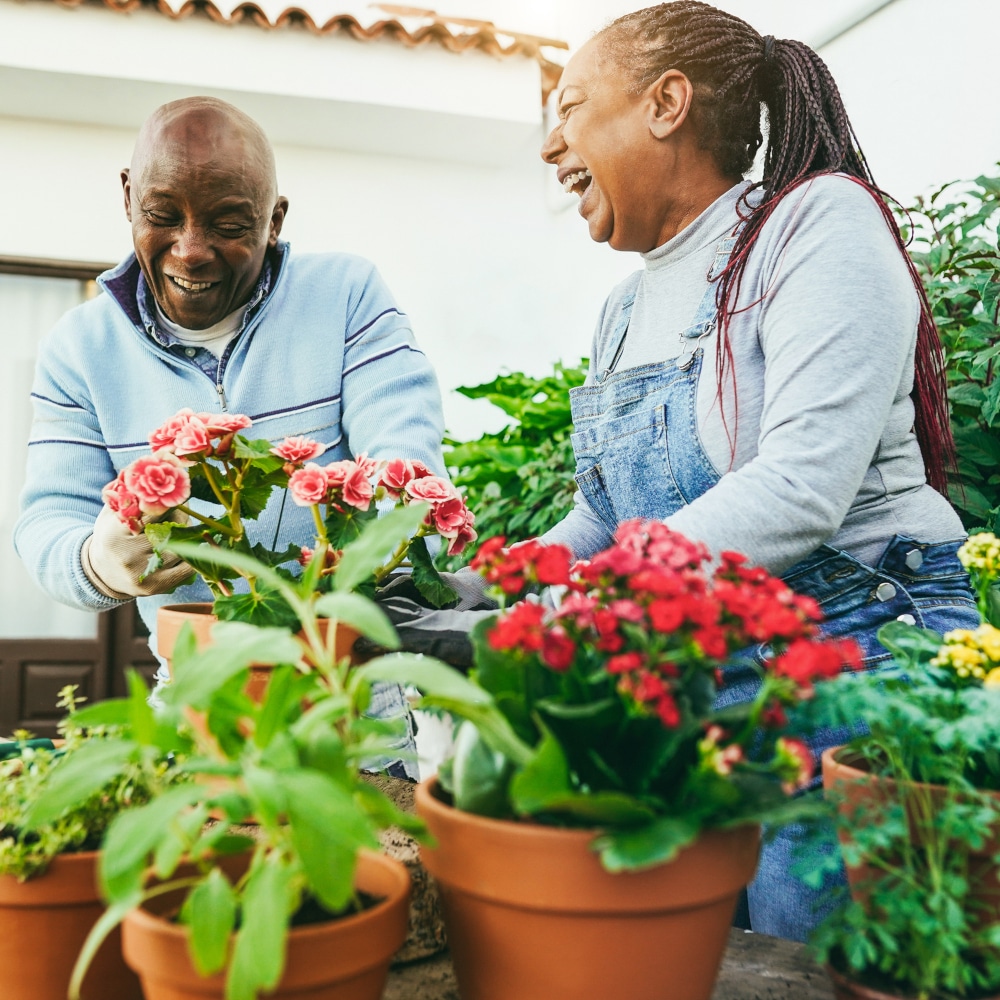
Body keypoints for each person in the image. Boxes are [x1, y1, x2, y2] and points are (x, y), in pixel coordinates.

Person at [386, 1, 981, 939]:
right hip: (705, 688)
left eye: (571, 107)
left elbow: (798, 491)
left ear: (666, 102)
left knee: (803, 960)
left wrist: (539, 621)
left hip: (853, 664)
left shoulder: (816, 225)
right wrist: (458, 588)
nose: (552, 146)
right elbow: (599, 516)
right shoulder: (624, 309)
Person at [14, 96, 449, 780]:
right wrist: (101, 559)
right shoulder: (79, 348)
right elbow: (44, 527)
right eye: (162, 216)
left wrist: (380, 538)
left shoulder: (346, 296)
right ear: (127, 199)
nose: (191, 250)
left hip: (351, 706)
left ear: (275, 220)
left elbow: (407, 469)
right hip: (195, 707)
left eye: (229, 224)